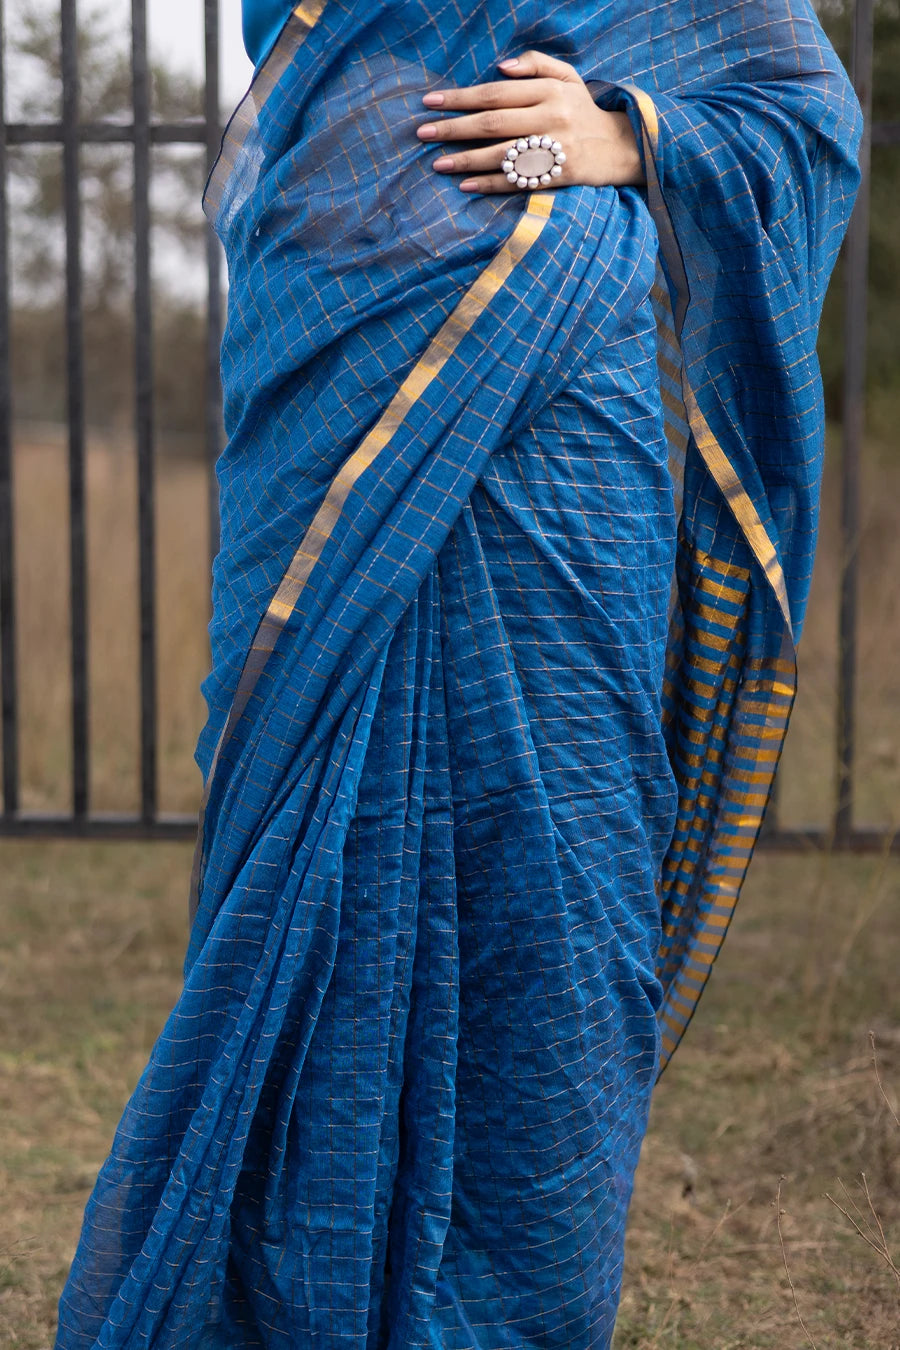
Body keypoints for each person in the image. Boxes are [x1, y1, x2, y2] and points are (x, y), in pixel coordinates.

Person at [55, 2, 861, 1346]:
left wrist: (628, 133)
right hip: (321, 366)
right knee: (308, 866)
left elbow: (801, 108)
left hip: (561, 415)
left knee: (559, 887)